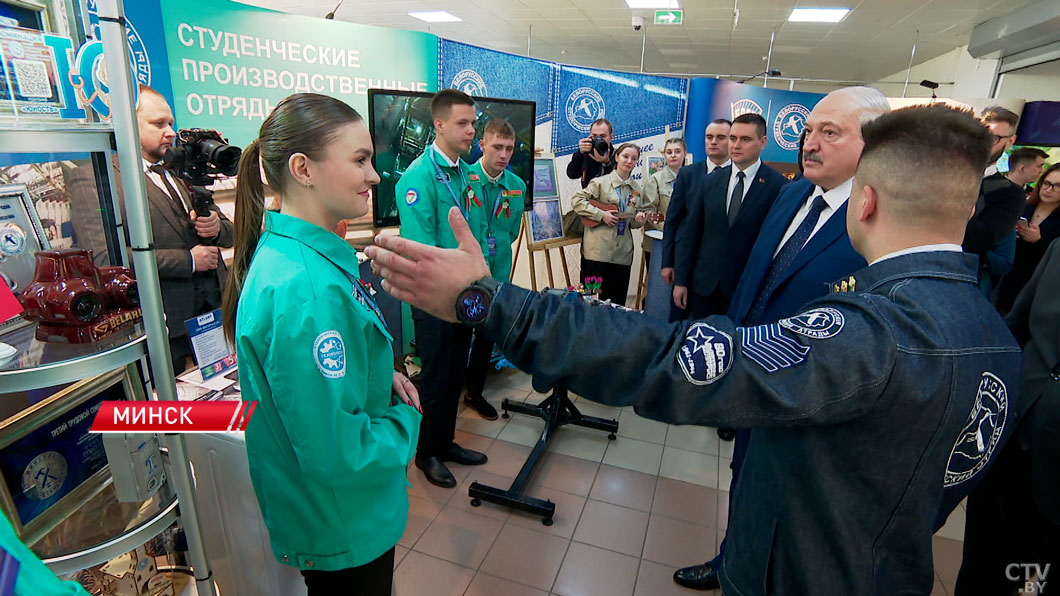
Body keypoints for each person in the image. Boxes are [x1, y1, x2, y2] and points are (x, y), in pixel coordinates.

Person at [365, 104, 1022, 596]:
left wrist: (486, 302)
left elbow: (668, 361)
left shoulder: (868, 338)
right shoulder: (999, 344)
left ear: (867, 201)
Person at [675, 86, 889, 590]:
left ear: (874, 144)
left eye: (829, 133)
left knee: (795, 501)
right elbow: (756, 275)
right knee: (746, 476)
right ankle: (732, 561)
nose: (810, 144)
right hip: (754, 378)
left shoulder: (877, 217)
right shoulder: (793, 193)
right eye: (809, 131)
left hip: (813, 395)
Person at [220, 93, 422, 596]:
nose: (375, 176)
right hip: (343, 520)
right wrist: (408, 421)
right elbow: (337, 453)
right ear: (303, 169)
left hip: (340, 514)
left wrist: (380, 377)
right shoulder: (303, 289)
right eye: (359, 160)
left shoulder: (304, 262)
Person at [67, 85, 233, 373]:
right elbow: (105, 259)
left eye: (170, 123)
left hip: (215, 314)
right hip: (161, 325)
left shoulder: (182, 170)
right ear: (127, 125)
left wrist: (216, 227)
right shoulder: (97, 179)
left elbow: (230, 234)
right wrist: (189, 261)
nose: (170, 132)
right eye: (158, 124)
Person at [395, 88, 489, 488]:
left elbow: (477, 232)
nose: (472, 131)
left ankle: (446, 441)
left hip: (466, 295)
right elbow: (424, 252)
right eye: (463, 123)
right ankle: (426, 453)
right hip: (435, 298)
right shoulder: (418, 177)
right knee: (434, 376)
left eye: (473, 122)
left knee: (456, 373)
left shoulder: (467, 173)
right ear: (439, 125)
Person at [956, 237, 1060, 596]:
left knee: (1037, 575)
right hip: (1015, 432)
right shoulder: (1059, 248)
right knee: (984, 561)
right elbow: (1017, 323)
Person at [672, 113, 788, 319]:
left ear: (763, 142)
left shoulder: (778, 187)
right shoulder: (709, 182)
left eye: (745, 139)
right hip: (704, 287)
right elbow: (691, 233)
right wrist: (681, 280)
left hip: (745, 289)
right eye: (733, 138)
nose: (736, 145)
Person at [462, 118, 526, 421]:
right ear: (482, 145)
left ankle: (475, 392)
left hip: (497, 273)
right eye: (497, 147)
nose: (503, 154)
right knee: (459, 333)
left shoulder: (517, 186)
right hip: (463, 273)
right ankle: (451, 392)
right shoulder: (463, 179)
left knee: (486, 333)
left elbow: (511, 232)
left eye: (509, 148)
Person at [659, 119, 731, 322]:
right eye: (709, 137)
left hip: (719, 273)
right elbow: (672, 220)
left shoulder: (737, 178)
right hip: (685, 265)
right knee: (678, 323)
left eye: (720, 137)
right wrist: (668, 262)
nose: (713, 142)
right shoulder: (689, 174)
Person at [571, 142, 648, 305]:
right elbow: (576, 201)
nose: (629, 161)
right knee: (588, 301)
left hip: (622, 256)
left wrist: (638, 220)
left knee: (616, 304)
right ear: (617, 157)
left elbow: (632, 224)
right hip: (597, 255)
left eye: (634, 159)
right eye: (625, 156)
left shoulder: (637, 190)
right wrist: (600, 215)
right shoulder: (600, 183)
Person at [964, 107, 1025, 271]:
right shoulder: (944, 170)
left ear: (1010, 142)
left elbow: (981, 241)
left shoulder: (1010, 193)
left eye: (994, 138)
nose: (983, 143)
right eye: (981, 135)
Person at [995, 164, 1060, 312]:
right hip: (1003, 275)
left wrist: (1037, 242)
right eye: (1046, 183)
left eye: (1057, 186)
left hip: (1034, 286)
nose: (1048, 189)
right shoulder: (1022, 206)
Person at [641, 137, 686, 266]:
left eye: (677, 151)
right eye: (669, 152)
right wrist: (670, 229)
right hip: (659, 242)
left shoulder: (692, 178)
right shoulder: (654, 180)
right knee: (660, 285)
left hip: (684, 243)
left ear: (684, 153)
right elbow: (648, 211)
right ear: (664, 155)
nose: (673, 155)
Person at [566, 118, 616, 188]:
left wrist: (606, 163)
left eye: (602, 136)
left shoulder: (619, 155)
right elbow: (572, 174)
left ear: (611, 137)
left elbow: (619, 181)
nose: (599, 139)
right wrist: (580, 153)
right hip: (589, 197)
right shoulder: (587, 154)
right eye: (595, 136)